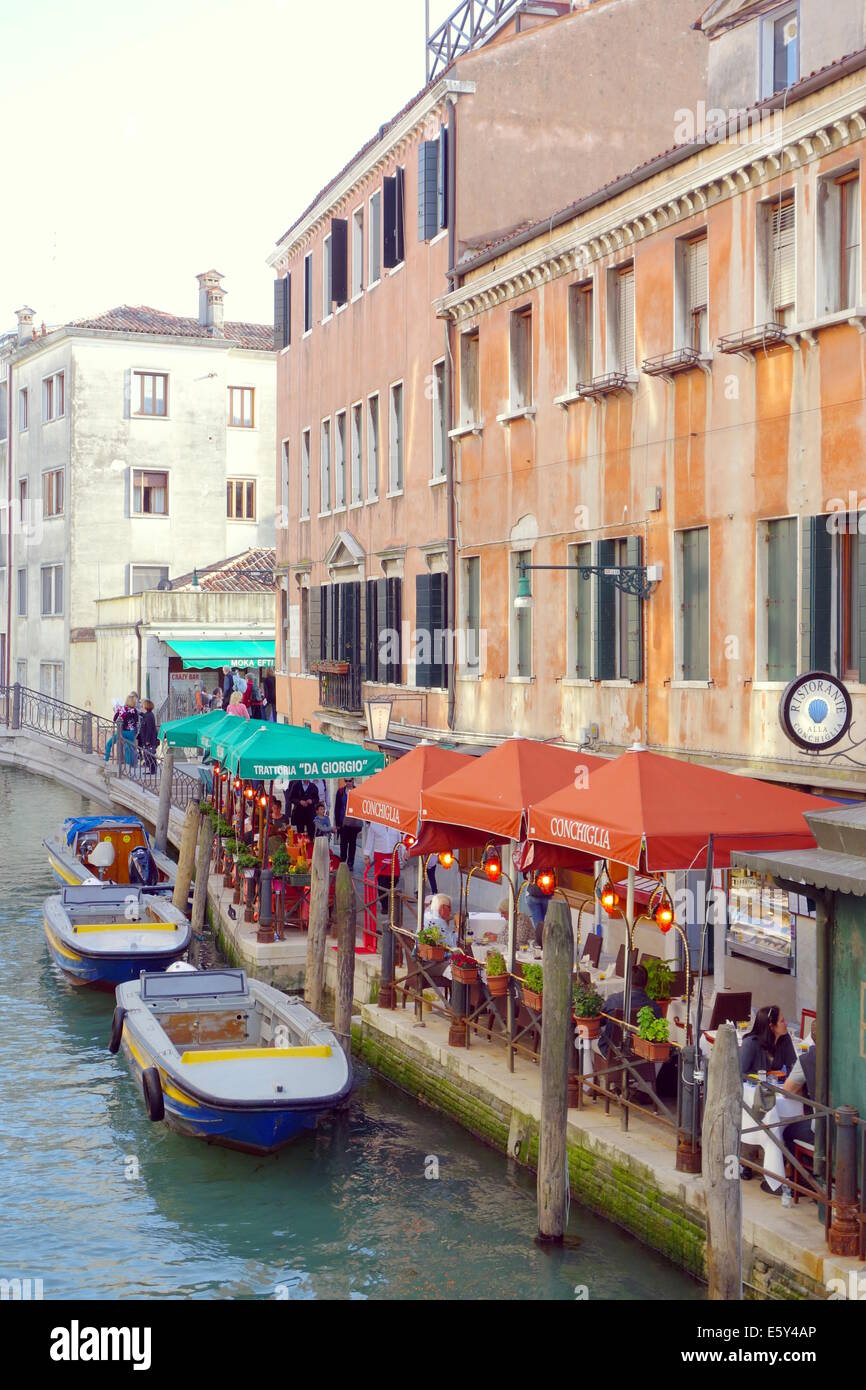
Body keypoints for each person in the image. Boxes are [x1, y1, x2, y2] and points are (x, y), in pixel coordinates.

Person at [597, 963, 659, 1059]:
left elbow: (599, 1022)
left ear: (626, 981)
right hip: (643, 1055)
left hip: (612, 1052)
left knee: (588, 1041)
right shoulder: (654, 1007)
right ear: (646, 983)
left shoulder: (613, 1000)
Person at [781, 1022, 818, 1156]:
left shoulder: (807, 1059)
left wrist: (805, 1092)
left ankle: (802, 1173)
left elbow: (787, 1091)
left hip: (821, 1131)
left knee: (787, 1131)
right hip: (847, 1125)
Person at [740, 1005, 797, 1081]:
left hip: (778, 1087)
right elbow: (740, 1074)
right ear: (771, 1026)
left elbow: (793, 1068)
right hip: (753, 1088)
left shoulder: (785, 1038)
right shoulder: (750, 1043)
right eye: (782, 1021)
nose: (786, 1024)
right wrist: (766, 1077)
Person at [363, 821, 406, 918]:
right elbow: (370, 840)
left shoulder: (396, 824)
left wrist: (404, 853)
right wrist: (366, 856)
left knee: (395, 879)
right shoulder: (374, 824)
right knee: (382, 882)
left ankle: (391, 903)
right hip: (380, 856)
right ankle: (385, 905)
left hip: (393, 855)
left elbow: (401, 842)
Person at [334, 779, 362, 870]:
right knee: (343, 843)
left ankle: (350, 862)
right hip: (343, 822)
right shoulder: (341, 791)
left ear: (353, 781)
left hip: (354, 822)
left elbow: (360, 806)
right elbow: (337, 807)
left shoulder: (357, 791)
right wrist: (337, 822)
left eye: (350, 781)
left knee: (352, 843)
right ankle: (343, 861)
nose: (348, 783)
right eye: (346, 781)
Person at [114, 693, 139, 766]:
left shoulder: (122, 709)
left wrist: (117, 711)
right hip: (132, 731)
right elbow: (136, 720)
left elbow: (115, 719)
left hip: (123, 731)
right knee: (132, 748)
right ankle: (133, 764)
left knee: (127, 748)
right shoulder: (134, 710)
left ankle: (128, 765)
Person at [524, 877, 549, 947]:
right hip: (546, 895)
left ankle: (539, 947)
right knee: (541, 924)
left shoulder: (533, 866)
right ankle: (541, 946)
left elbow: (525, 875)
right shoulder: (550, 867)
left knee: (539, 924)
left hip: (532, 895)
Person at [137, 698, 158, 772]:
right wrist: (139, 712)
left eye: (142, 705)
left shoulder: (149, 716)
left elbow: (149, 729)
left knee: (149, 754)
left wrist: (147, 740)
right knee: (148, 754)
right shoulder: (148, 715)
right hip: (148, 739)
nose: (142, 707)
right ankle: (152, 769)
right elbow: (143, 715)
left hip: (150, 740)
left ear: (146, 706)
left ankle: (152, 770)